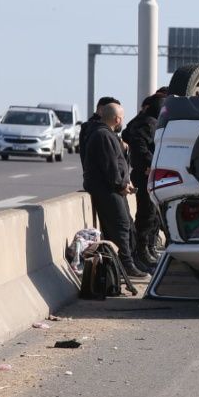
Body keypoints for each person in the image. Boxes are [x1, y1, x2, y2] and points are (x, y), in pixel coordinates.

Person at [83, 103, 148, 278]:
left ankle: (123, 264)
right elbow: (109, 166)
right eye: (122, 118)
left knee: (125, 224)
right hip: (108, 190)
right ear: (117, 119)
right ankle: (126, 265)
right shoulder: (103, 135)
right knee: (121, 226)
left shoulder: (106, 134)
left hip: (113, 188)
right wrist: (120, 185)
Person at [122, 92, 166, 271]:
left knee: (154, 215)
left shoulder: (148, 121)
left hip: (151, 174)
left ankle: (147, 248)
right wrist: (150, 163)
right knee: (146, 215)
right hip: (146, 174)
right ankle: (142, 252)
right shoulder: (147, 122)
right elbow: (138, 144)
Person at [79, 96, 121, 168]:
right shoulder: (99, 131)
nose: (118, 119)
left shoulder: (92, 128)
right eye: (113, 111)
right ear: (101, 110)